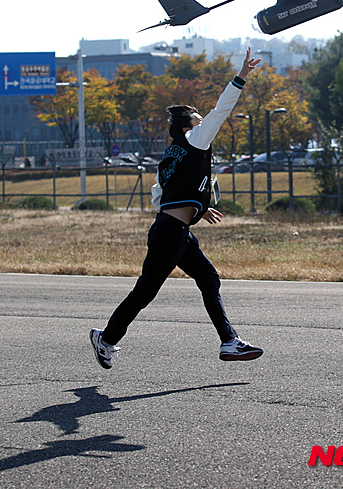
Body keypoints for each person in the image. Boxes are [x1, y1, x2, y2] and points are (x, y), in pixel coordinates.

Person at [90, 47, 263, 369]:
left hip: (173, 229)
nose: (204, 125)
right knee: (146, 291)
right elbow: (222, 110)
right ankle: (107, 338)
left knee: (208, 279)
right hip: (171, 232)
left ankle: (229, 342)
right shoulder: (195, 140)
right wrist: (241, 76)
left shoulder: (170, 155)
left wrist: (197, 209)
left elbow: (161, 196)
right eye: (199, 122)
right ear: (189, 129)